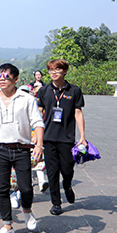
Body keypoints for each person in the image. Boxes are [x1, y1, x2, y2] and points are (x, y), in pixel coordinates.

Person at [0, 63, 44, 233]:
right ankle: (7, 225)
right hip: (0, 149)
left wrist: (39, 145)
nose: (1, 80)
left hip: (22, 149)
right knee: (2, 189)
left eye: (5, 76)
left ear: (15, 79)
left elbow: (38, 122)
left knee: (26, 187)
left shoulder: (26, 99)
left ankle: (27, 211)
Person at [37, 59, 86, 216]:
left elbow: (78, 113)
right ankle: (56, 203)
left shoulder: (74, 91)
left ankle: (68, 185)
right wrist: (35, 136)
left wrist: (82, 136)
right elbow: (38, 114)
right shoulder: (43, 91)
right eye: (51, 70)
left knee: (67, 169)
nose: (53, 73)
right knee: (52, 171)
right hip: (48, 137)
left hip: (66, 138)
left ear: (65, 71)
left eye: (57, 69)